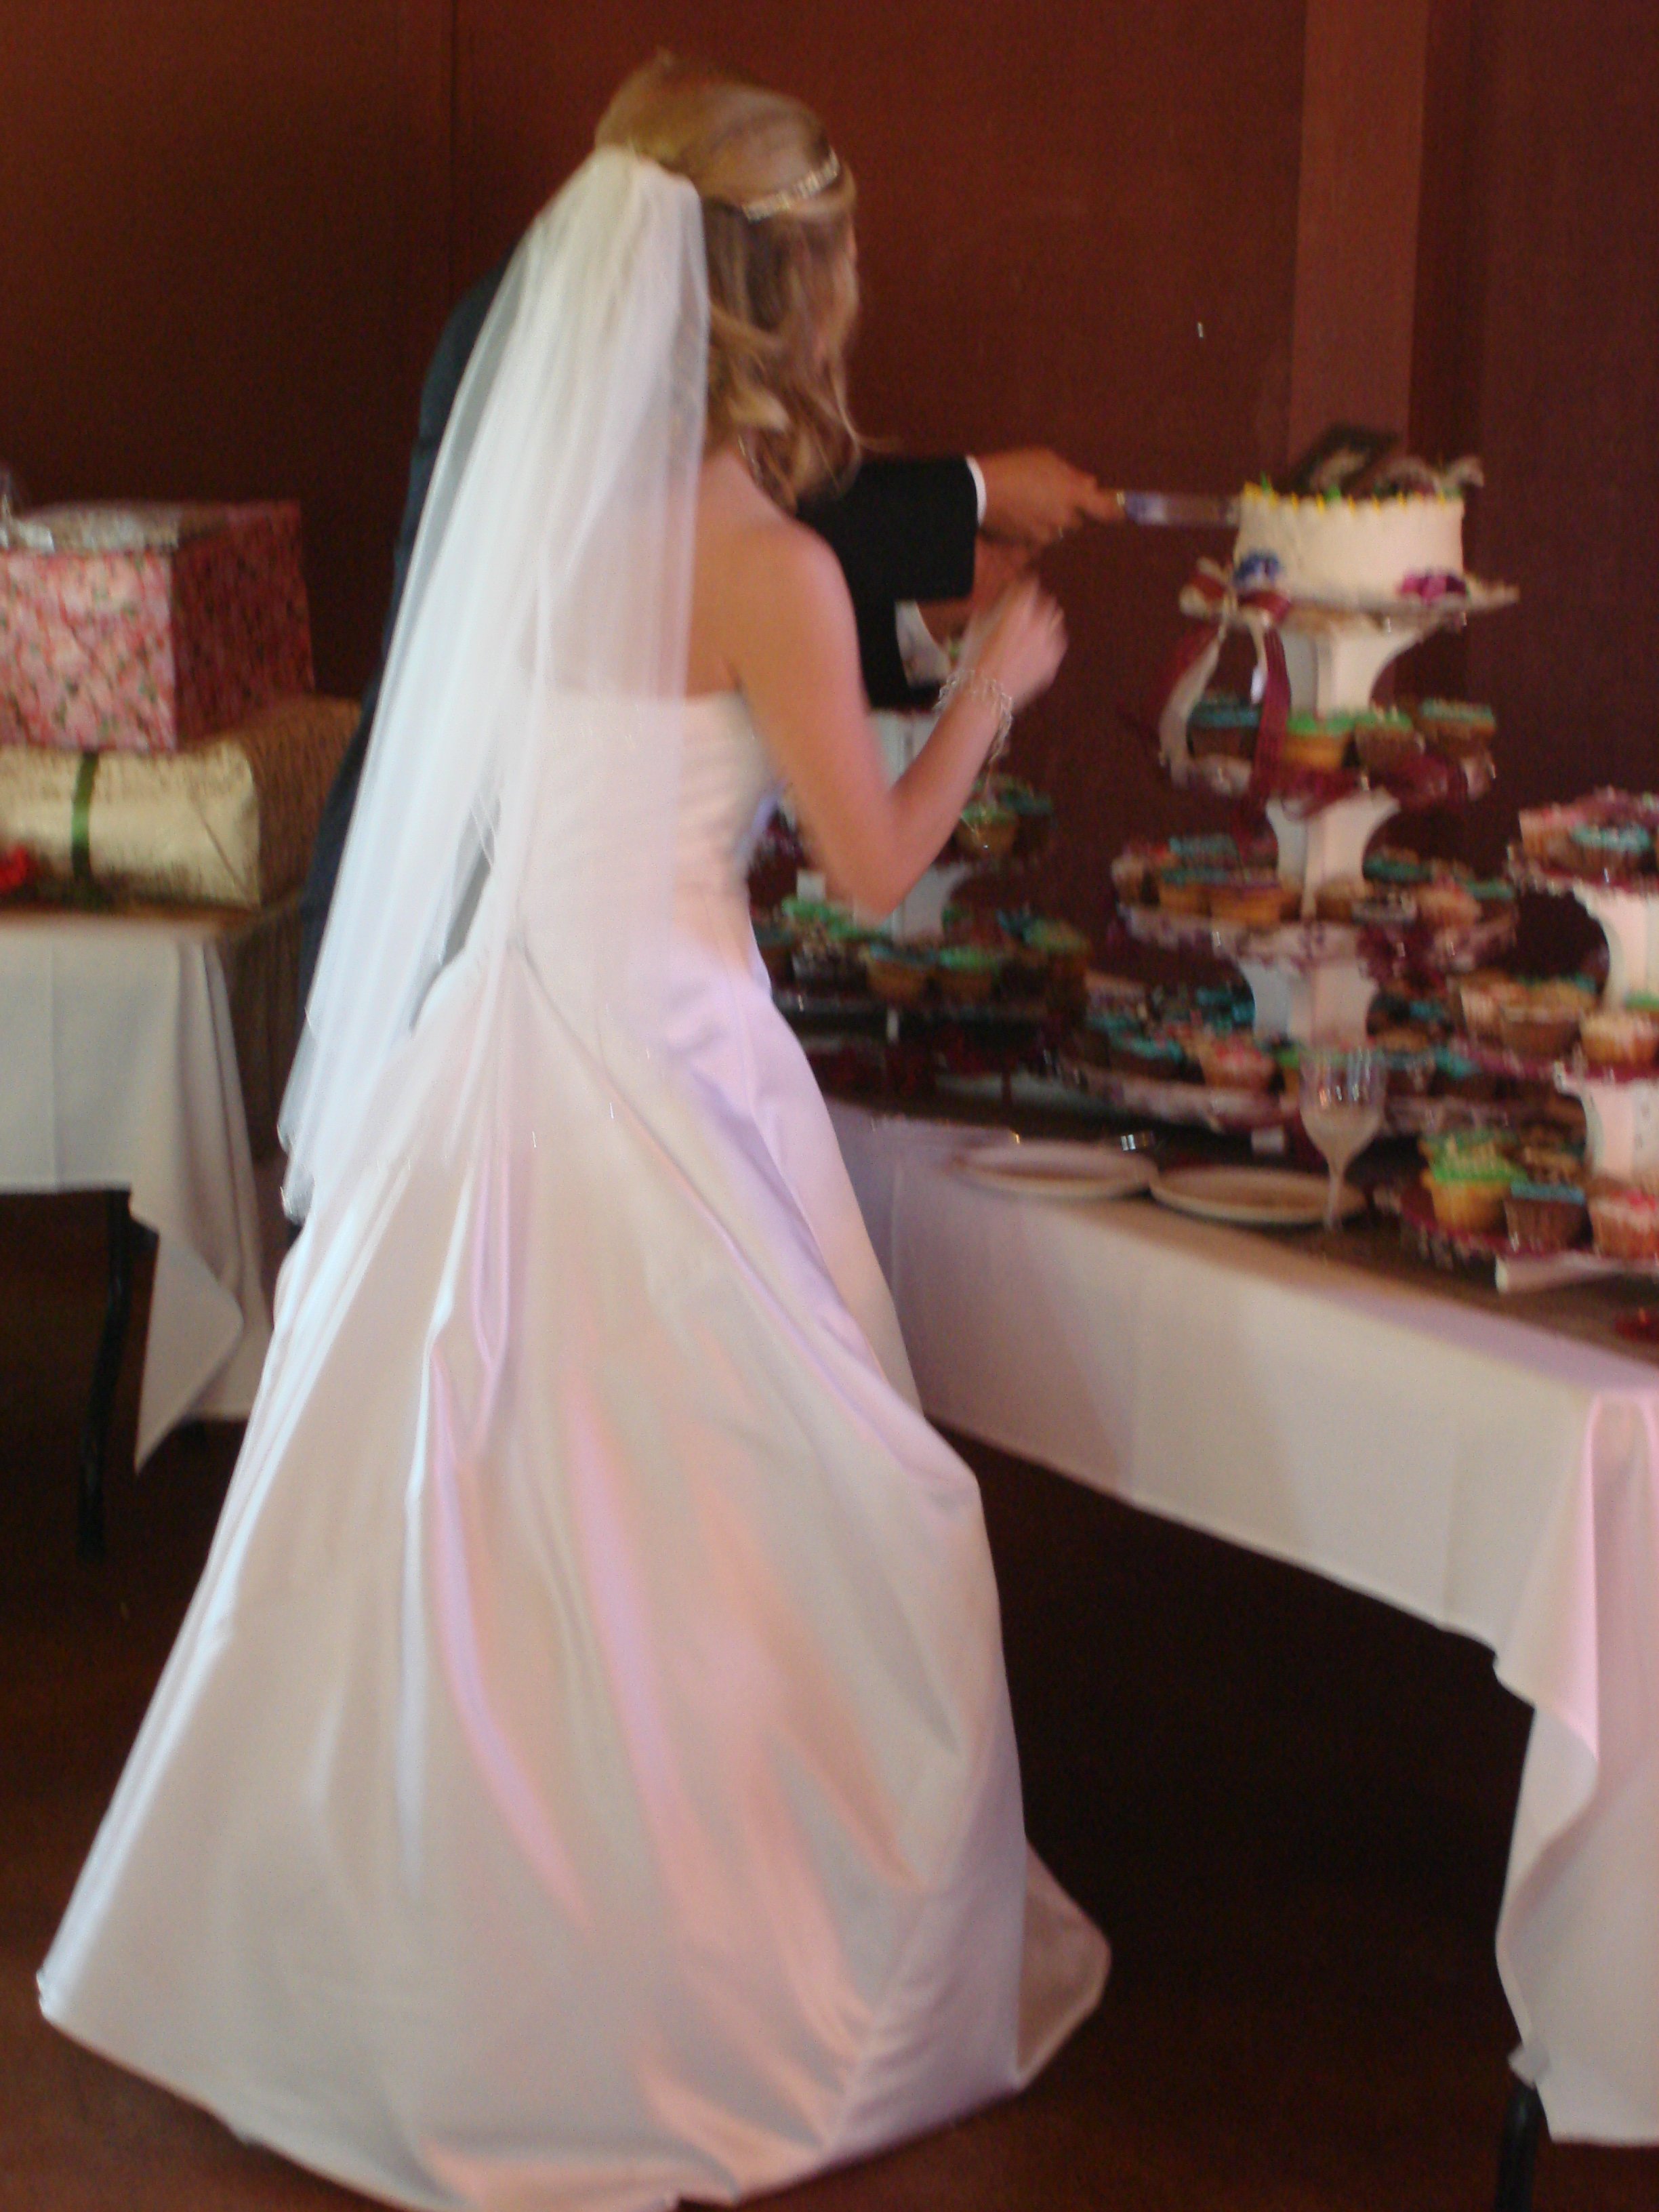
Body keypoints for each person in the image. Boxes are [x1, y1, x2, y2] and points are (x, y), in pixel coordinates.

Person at [39, 57, 1108, 2212]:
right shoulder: (771, 566)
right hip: (673, 1056)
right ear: (787, 295)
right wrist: (995, 686)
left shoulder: (529, 513)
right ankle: (685, 1988)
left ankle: (381, 1973)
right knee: (775, 1533)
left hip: (500, 1040)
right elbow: (873, 862)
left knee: (454, 1528)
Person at [297, 248, 1115, 1013]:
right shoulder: (745, 545)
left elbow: (701, 660)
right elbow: (872, 870)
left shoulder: (569, 522)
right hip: (639, 1000)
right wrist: (990, 687)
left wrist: (919, 620)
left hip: (515, 1001)